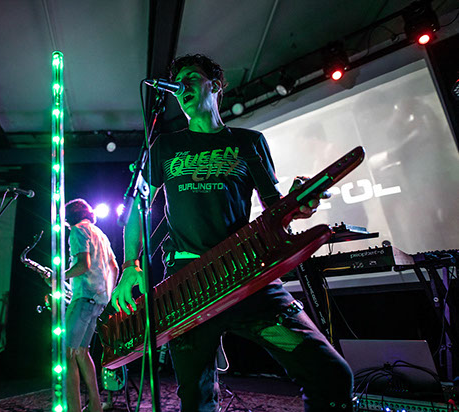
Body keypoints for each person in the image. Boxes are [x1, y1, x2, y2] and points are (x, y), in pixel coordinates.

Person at [111, 54, 354, 411]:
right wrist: (130, 264)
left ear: (215, 86)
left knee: (330, 374)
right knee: (196, 398)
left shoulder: (248, 142)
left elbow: (275, 210)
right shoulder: (163, 146)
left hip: (247, 281)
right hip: (187, 288)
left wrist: (299, 206)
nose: (182, 87)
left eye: (192, 78)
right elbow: (137, 205)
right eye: (178, 82)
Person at [64, 199, 119, 412]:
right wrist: (107, 294)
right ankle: (95, 406)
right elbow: (114, 267)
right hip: (98, 302)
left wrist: (59, 276)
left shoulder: (77, 230)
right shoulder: (101, 234)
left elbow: (83, 265)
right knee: (82, 352)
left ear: (69, 217)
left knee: (66, 354)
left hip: (83, 299)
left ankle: (74, 409)